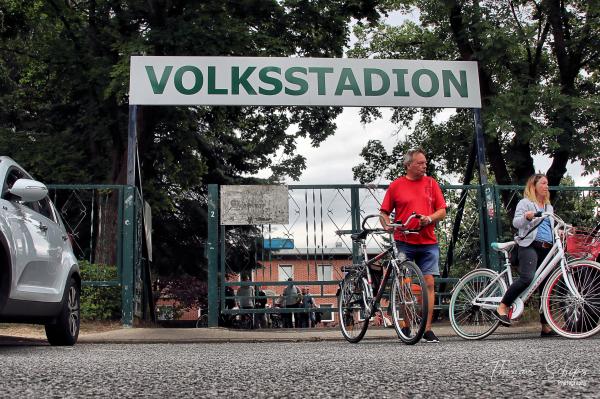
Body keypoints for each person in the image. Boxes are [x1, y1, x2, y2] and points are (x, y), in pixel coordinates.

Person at [380, 147, 447, 343]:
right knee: (404, 285)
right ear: (408, 165)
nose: (424, 165)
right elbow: (384, 213)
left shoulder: (431, 184)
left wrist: (430, 218)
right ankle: (407, 325)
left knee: (429, 283)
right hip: (404, 241)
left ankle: (427, 329)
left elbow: (442, 210)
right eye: (420, 163)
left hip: (427, 240)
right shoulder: (396, 186)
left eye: (425, 162)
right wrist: (386, 225)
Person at [495, 173, 557, 337]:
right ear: (534, 186)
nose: (546, 186)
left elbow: (551, 227)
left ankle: (545, 326)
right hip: (529, 245)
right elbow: (516, 223)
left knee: (546, 285)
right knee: (528, 278)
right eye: (543, 183)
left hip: (547, 248)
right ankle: (503, 306)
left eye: (547, 184)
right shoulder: (525, 203)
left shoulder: (549, 207)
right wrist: (526, 217)